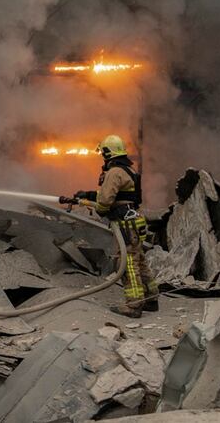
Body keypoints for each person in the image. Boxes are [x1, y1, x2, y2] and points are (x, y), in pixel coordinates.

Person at [60, 134, 159, 318]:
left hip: (125, 224)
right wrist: (88, 195)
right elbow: (117, 195)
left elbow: (105, 201)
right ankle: (151, 298)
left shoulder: (114, 172)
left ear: (107, 153)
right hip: (135, 220)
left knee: (127, 263)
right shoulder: (128, 170)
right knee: (139, 260)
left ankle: (134, 305)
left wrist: (100, 209)